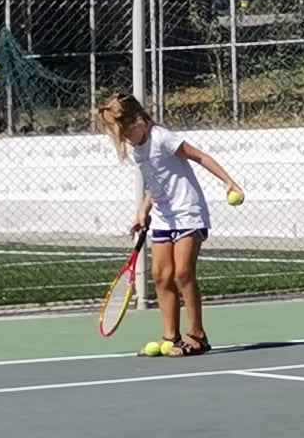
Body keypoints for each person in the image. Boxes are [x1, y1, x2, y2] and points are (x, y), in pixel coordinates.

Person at [95, 94, 244, 357]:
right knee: (162, 277)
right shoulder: (139, 149)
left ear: (139, 120)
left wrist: (229, 182)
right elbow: (155, 183)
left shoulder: (162, 138)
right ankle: (171, 338)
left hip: (188, 212)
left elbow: (200, 157)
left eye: (127, 131)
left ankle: (197, 336)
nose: (127, 139)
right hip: (164, 217)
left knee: (183, 274)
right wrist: (143, 210)